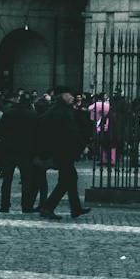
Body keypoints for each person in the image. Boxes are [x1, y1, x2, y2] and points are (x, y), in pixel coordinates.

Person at [38, 88, 90, 219]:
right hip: (63, 151)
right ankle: (47, 207)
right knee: (67, 180)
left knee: (70, 179)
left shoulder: (55, 110)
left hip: (60, 150)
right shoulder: (63, 111)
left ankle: (76, 208)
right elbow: (71, 131)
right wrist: (82, 146)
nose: (72, 97)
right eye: (69, 95)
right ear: (62, 96)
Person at [0, 93, 36, 214]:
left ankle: (5, 205)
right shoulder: (32, 115)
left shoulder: (9, 113)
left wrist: (6, 141)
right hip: (26, 151)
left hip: (9, 150)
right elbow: (37, 133)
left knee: (7, 180)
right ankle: (26, 206)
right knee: (26, 180)